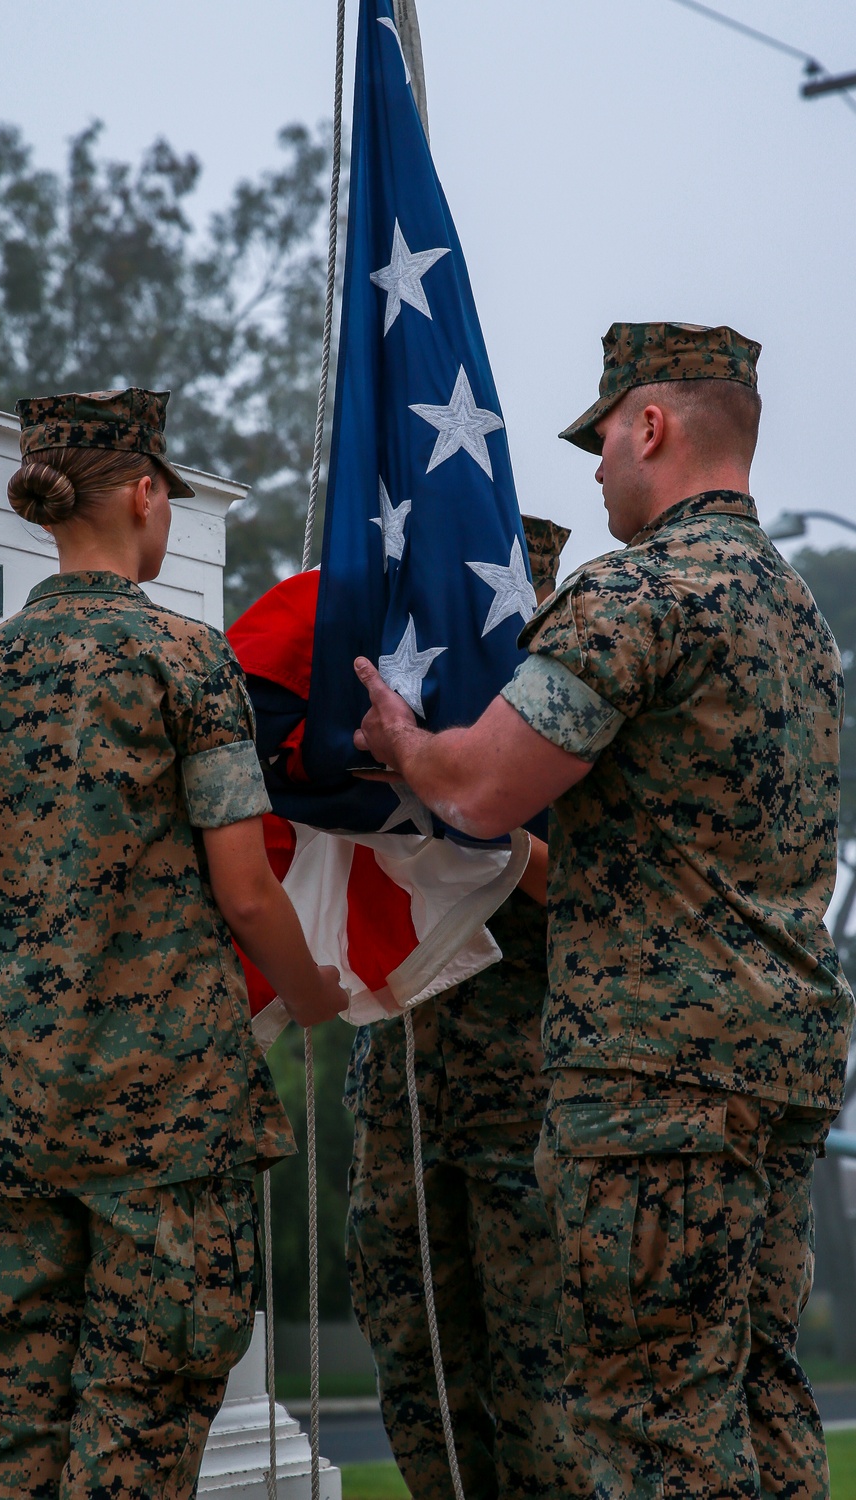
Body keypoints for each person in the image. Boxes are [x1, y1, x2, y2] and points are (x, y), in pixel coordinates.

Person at [351, 324, 855, 1499]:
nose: (593, 472)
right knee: (758, 1392)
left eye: (601, 440)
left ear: (651, 424)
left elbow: (486, 784)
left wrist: (402, 746)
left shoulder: (639, 592)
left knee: (648, 1416)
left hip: (656, 1082)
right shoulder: (794, 614)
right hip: (779, 1064)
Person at [0, 387, 346, 1500]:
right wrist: (311, 998)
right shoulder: (184, 662)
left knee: (16, 1448)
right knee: (136, 1453)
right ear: (147, 494)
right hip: (166, 1126)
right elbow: (248, 894)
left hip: (8, 1115)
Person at [345, 515, 591, 1499]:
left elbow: (613, 904)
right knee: (417, 1373)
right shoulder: (408, 721)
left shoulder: (576, 722)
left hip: (526, 1099)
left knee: (543, 1385)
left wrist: (501, 839)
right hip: (404, 1093)